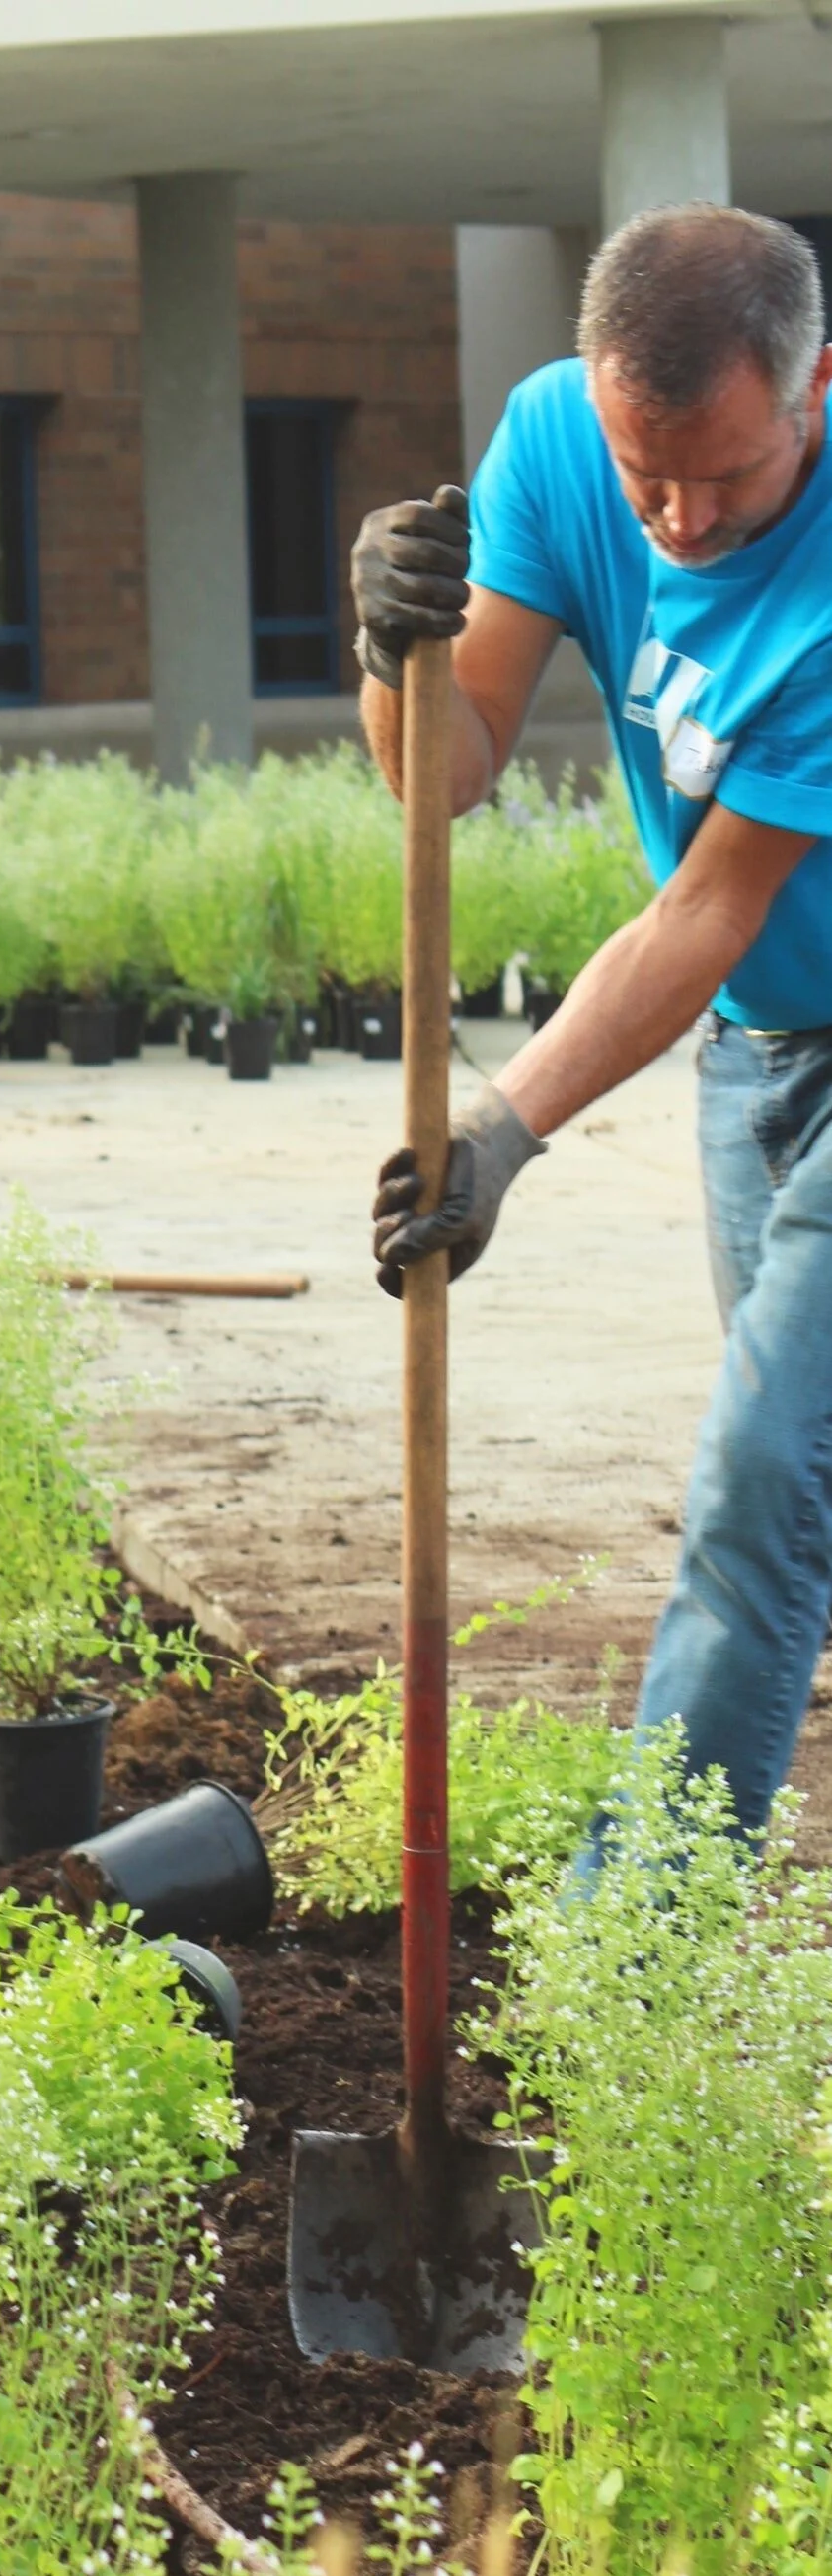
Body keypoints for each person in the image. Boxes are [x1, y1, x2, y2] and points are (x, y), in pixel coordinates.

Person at [356, 204, 832, 1842]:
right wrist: (390, 650)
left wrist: (500, 1132)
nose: (681, 520)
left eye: (723, 475)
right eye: (648, 479)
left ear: (811, 390)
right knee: (805, 1468)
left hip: (755, 978)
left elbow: (704, 905)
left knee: (762, 1485)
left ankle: (626, 1948)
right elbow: (444, 774)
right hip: (758, 1049)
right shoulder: (555, 440)